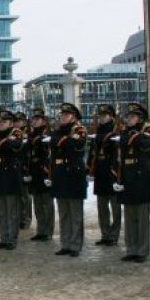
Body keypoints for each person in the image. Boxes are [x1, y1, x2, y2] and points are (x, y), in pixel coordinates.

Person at [114, 103, 150, 263]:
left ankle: (142, 251)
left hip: (142, 178)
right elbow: (123, 143)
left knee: (142, 219)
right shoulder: (126, 131)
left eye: (133, 116)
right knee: (129, 218)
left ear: (141, 118)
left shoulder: (148, 129)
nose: (129, 119)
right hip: (128, 177)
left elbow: (145, 142)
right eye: (129, 116)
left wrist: (129, 138)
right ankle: (131, 249)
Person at [47, 103, 88, 257]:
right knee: (64, 213)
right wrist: (61, 139)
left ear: (74, 117)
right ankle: (65, 243)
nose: (63, 117)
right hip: (60, 174)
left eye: (67, 115)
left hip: (74, 175)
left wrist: (60, 140)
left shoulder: (79, 129)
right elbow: (53, 142)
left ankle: (75, 245)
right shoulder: (58, 131)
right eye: (62, 115)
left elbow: (75, 143)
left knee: (75, 214)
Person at [0, 110, 26, 250]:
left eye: (4, 121)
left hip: (10, 177)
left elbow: (11, 144)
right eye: (0, 121)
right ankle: (4, 238)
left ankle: (12, 240)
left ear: (11, 123)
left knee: (12, 212)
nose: (1, 123)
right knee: (1, 212)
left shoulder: (16, 133)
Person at [88, 104, 122, 246]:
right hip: (100, 171)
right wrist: (90, 168)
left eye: (105, 115)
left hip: (112, 171)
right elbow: (92, 151)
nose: (102, 118)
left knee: (115, 207)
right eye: (101, 115)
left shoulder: (116, 129)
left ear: (111, 116)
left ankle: (114, 235)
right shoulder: (97, 130)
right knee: (102, 207)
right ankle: (105, 234)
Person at [28, 109, 54, 242]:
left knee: (47, 204)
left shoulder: (47, 133)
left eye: (37, 119)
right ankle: (40, 230)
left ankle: (48, 231)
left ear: (44, 121)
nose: (34, 121)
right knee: (38, 205)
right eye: (34, 119)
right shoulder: (32, 134)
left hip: (44, 171)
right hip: (34, 171)